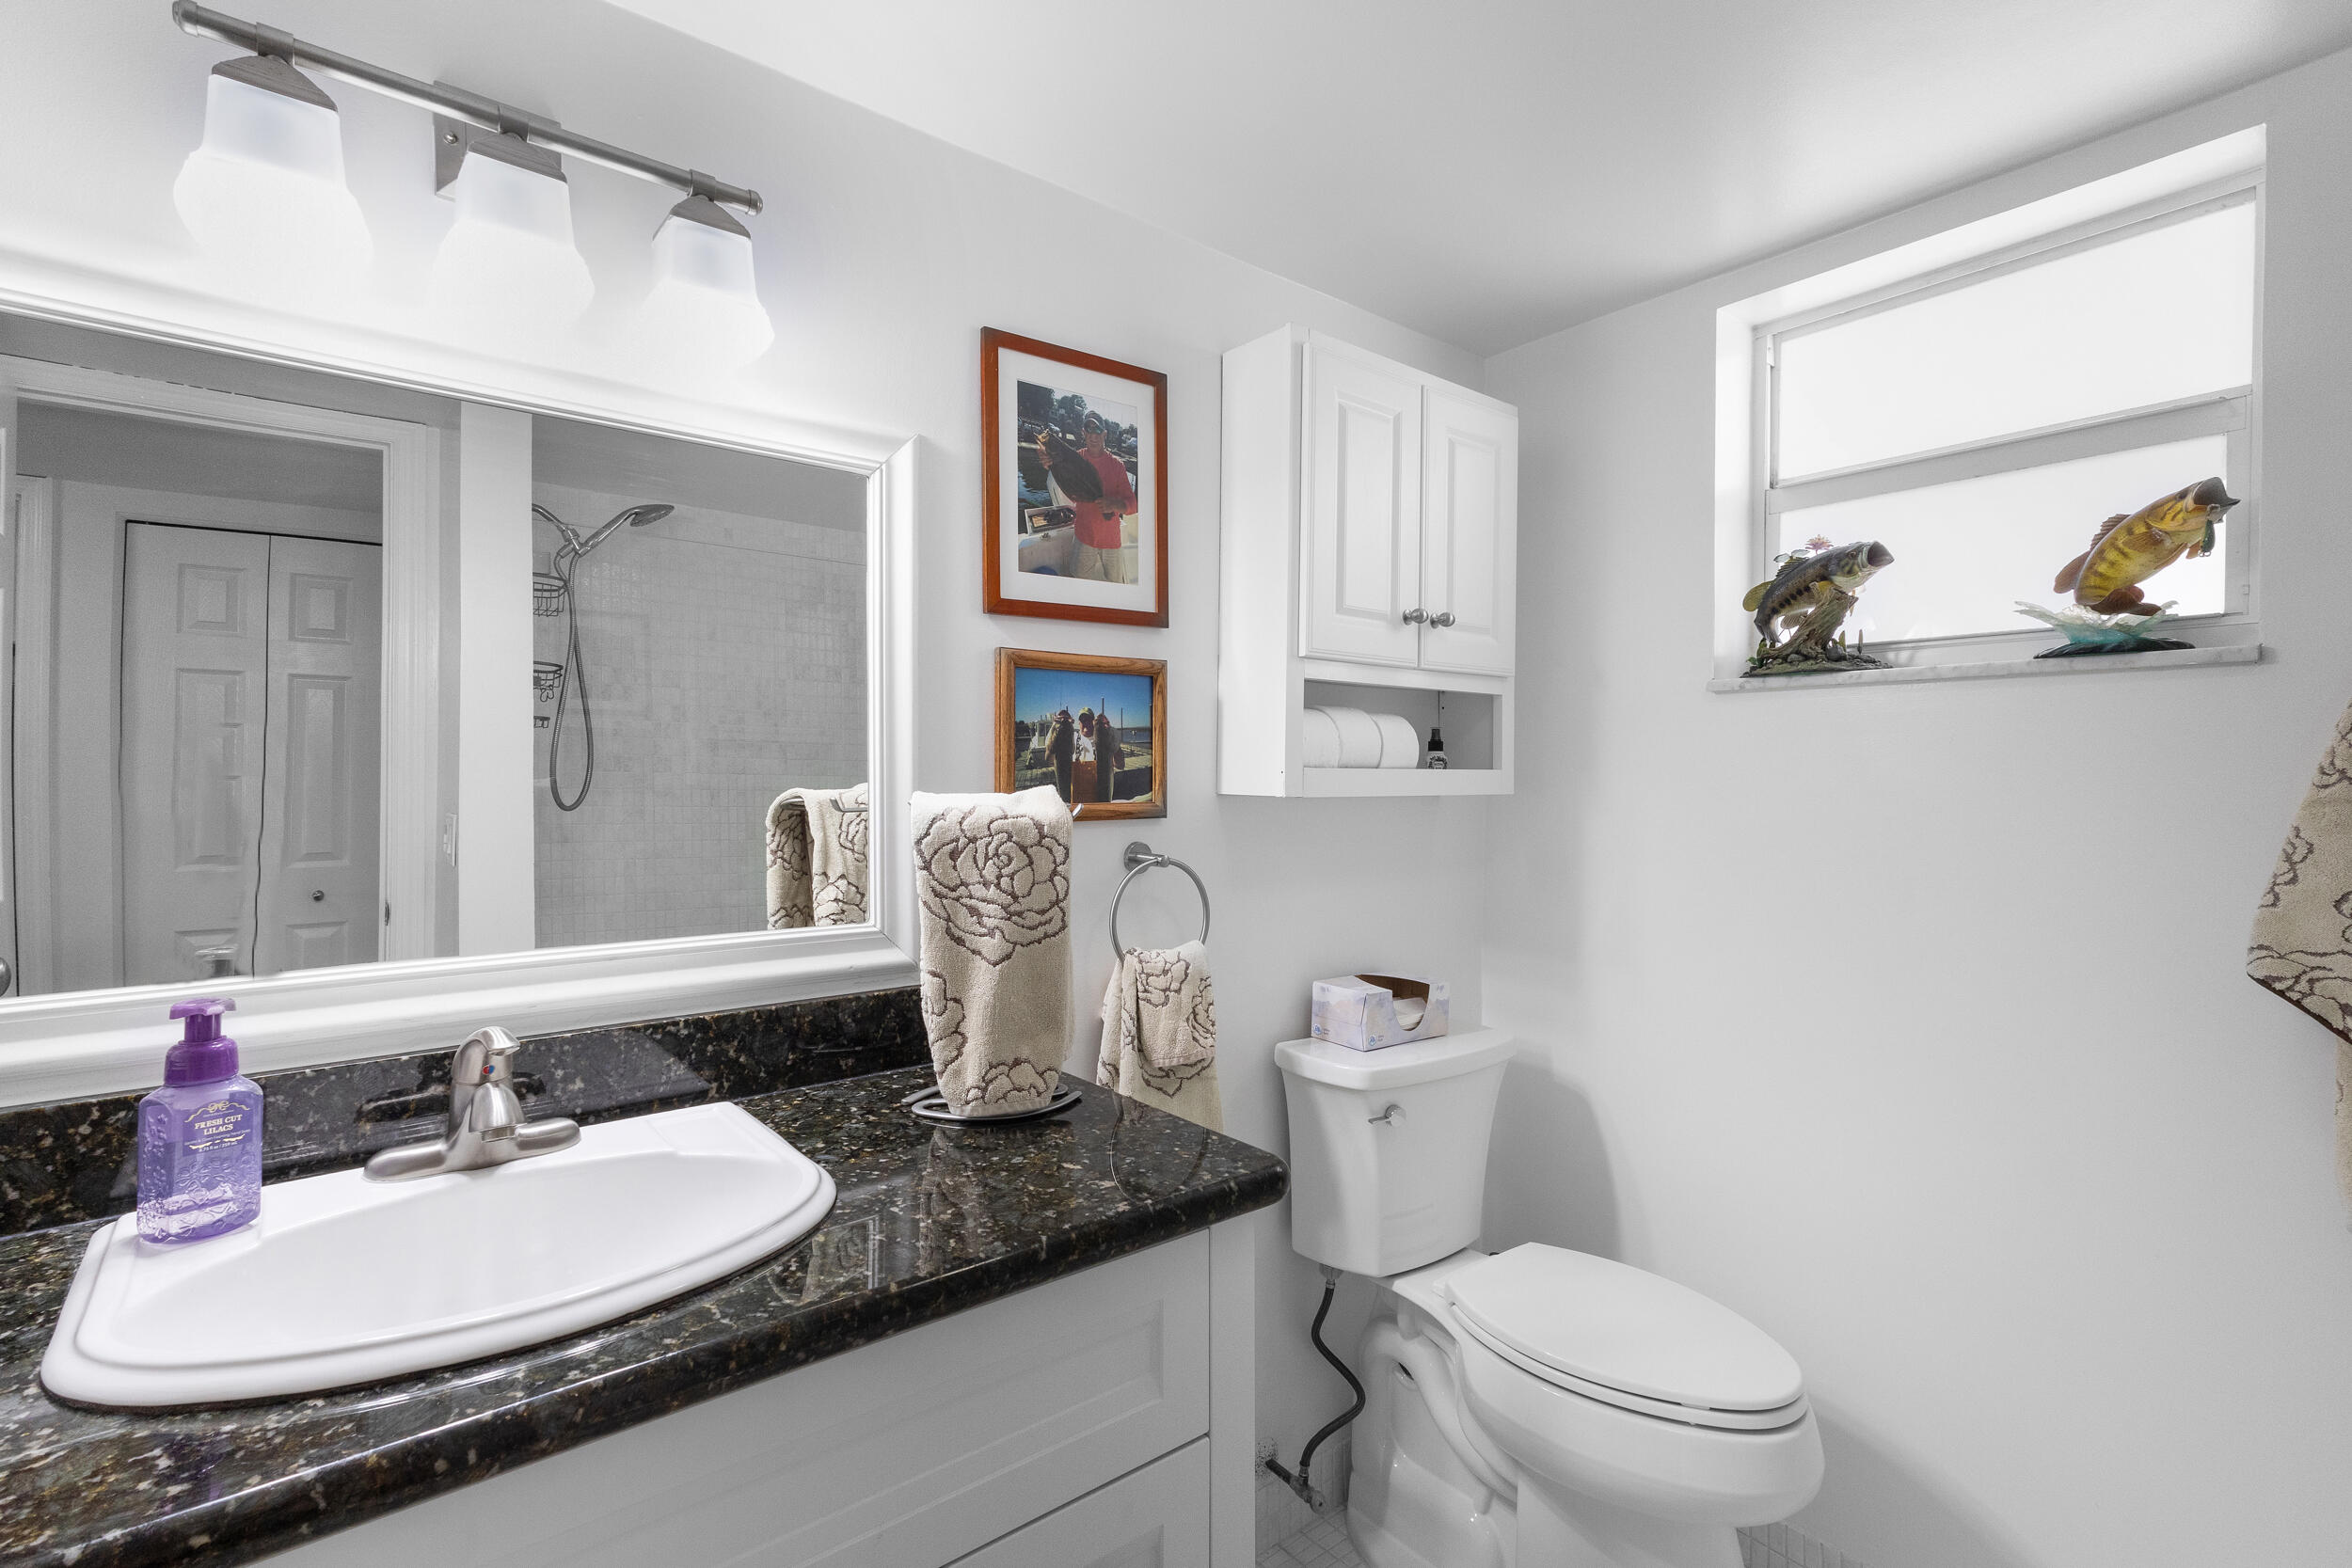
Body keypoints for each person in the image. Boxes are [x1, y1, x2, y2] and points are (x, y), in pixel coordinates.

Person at [1062, 411, 1136, 584]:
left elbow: (1133, 505)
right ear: (1083, 433)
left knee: (1116, 585)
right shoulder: (1076, 459)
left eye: (1097, 431)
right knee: (1078, 584)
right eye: (1089, 430)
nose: (1093, 436)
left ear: (1105, 434)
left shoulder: (1117, 466)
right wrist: (1049, 464)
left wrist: (1114, 504)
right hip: (1084, 537)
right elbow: (1067, 487)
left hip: (1111, 540)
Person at [1092, 706, 1124, 801]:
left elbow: (1120, 765)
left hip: (1104, 786)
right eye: (1082, 719)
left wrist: (1114, 739)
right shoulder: (1075, 739)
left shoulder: (1108, 739)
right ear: (1078, 723)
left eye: (1088, 719)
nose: (1086, 722)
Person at [1044, 707, 1074, 801]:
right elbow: (1048, 758)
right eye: (1061, 718)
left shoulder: (1072, 732)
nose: (1063, 720)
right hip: (1061, 767)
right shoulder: (1052, 733)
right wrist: (1055, 727)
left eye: (1066, 718)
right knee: (1064, 796)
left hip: (1074, 775)